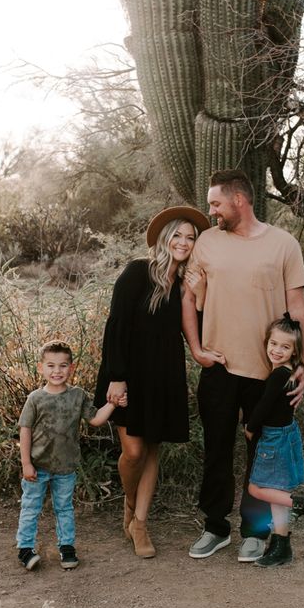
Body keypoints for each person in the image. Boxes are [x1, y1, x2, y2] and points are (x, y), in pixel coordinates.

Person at [181, 168, 304, 562]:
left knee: (261, 457)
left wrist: (303, 365)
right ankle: (215, 528)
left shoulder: (283, 244)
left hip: (269, 374)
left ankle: (254, 533)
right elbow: (188, 300)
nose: (211, 210)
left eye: (216, 203)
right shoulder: (207, 242)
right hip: (219, 368)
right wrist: (197, 350)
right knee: (218, 450)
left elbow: (298, 308)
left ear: (239, 200)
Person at [95, 205, 212, 558]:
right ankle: (130, 505)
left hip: (165, 375)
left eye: (190, 237)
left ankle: (140, 523)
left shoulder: (185, 285)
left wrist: (201, 292)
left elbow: (200, 330)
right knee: (133, 451)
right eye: (177, 234)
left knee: (153, 450)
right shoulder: (137, 272)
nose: (183, 242)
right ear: (164, 238)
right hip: (129, 373)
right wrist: (117, 378)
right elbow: (116, 326)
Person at [16, 340, 121, 571]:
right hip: (37, 465)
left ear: (71, 368)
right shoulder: (35, 398)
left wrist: (112, 404)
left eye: (63, 366)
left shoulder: (78, 396)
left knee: (64, 507)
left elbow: (95, 419)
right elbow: (25, 431)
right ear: (40, 368)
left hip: (66, 467)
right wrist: (26, 463)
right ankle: (24, 549)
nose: (57, 371)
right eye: (51, 366)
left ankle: (67, 547)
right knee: (31, 507)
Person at [245, 313, 304, 568]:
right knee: (277, 493)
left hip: (273, 439)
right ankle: (282, 547)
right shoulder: (290, 372)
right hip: (288, 435)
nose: (277, 350)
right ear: (266, 343)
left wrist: (250, 427)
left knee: (256, 488)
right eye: (274, 344)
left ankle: (303, 504)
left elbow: (264, 406)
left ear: (294, 352)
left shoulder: (278, 375)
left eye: (285, 347)